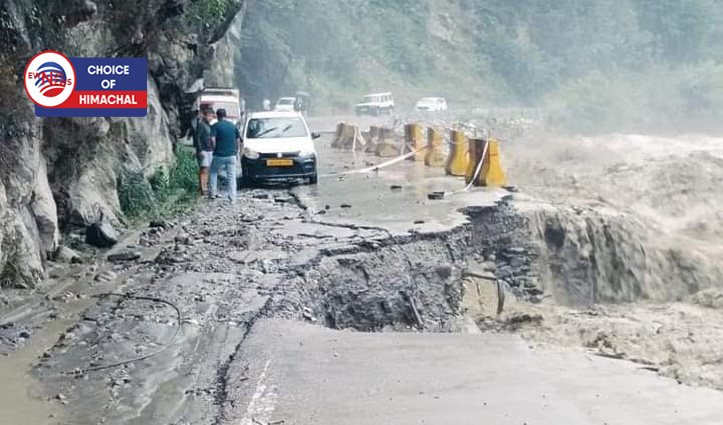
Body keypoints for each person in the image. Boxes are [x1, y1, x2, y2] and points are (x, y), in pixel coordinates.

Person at [209, 108, 241, 204]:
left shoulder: (215, 126)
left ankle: (213, 193)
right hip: (231, 155)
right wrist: (236, 151)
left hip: (219, 154)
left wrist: (214, 148)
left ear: (217, 116)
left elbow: (212, 139)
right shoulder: (232, 126)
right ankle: (232, 198)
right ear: (225, 115)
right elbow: (238, 140)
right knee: (231, 176)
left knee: (213, 172)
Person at [194, 107, 214, 196]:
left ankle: (204, 187)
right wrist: (200, 149)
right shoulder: (201, 125)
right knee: (204, 169)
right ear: (204, 115)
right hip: (204, 150)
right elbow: (197, 137)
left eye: (212, 116)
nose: (210, 118)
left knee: (207, 169)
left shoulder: (208, 125)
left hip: (209, 149)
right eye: (209, 116)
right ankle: (203, 188)